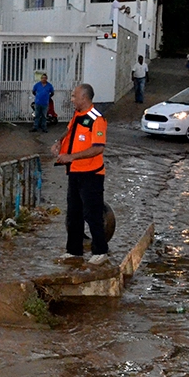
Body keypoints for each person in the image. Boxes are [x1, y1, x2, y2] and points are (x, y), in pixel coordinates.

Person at [51, 83, 109, 265]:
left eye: (74, 96)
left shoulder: (96, 119)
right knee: (74, 214)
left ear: (84, 98)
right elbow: (69, 130)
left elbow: (98, 148)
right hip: (75, 173)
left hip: (91, 174)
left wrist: (71, 156)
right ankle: (74, 251)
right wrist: (58, 142)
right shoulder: (77, 115)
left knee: (93, 213)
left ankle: (100, 251)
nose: (72, 99)